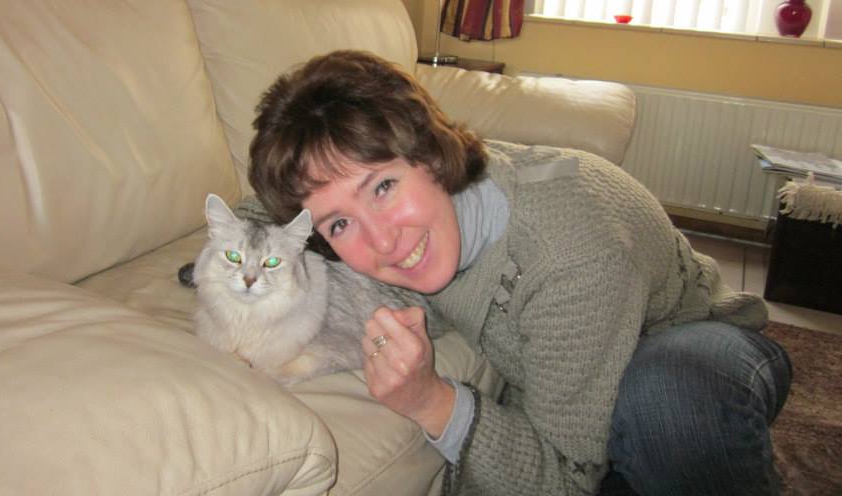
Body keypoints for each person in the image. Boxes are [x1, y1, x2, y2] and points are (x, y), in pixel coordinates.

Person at [247, 49, 792, 496]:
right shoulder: (420, 225)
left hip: (694, 349)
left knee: (663, 402)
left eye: (383, 187)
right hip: (580, 374)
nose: (383, 242)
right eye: (341, 223)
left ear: (431, 155)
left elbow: (564, 480)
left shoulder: (570, 253)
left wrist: (430, 400)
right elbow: (267, 220)